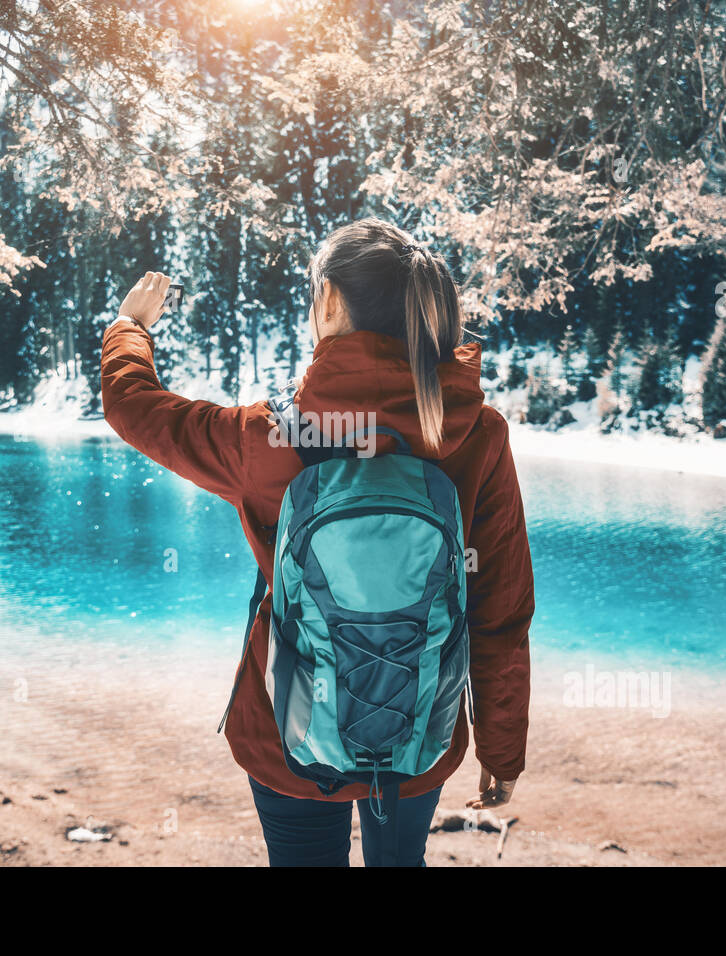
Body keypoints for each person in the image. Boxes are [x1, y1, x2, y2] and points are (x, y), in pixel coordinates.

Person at [99, 216, 534, 866]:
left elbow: (134, 406)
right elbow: (501, 616)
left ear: (330, 301)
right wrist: (502, 753)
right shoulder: (477, 435)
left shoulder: (267, 438)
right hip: (420, 729)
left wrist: (129, 329)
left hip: (285, 736)